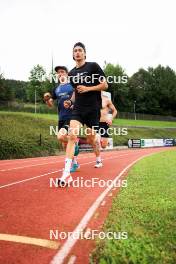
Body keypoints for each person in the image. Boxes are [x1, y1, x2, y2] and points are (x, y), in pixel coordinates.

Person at [58, 42, 108, 186]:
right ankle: (66, 173)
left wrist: (88, 88)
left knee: (92, 139)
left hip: (92, 109)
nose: (77, 53)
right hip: (78, 109)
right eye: (75, 51)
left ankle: (98, 157)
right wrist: (70, 101)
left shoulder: (93, 66)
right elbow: (75, 91)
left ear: (85, 53)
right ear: (73, 55)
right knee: (72, 136)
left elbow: (105, 85)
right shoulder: (72, 73)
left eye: (80, 50)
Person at [43, 66, 79, 173]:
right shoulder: (56, 89)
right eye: (58, 72)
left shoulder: (72, 85)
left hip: (72, 117)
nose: (60, 74)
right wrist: (46, 99)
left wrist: (74, 104)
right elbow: (50, 104)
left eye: (62, 72)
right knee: (64, 144)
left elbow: (79, 96)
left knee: (60, 136)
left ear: (67, 74)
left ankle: (74, 144)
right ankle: (75, 163)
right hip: (61, 118)